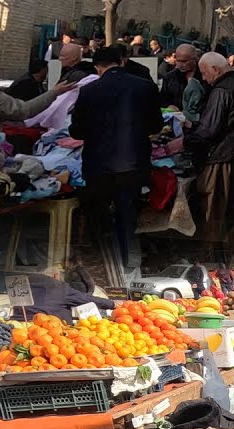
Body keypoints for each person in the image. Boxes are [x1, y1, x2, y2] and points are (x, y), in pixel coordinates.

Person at [70, 47, 161, 269]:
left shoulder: (89, 90)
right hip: (132, 164)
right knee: (127, 212)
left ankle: (102, 263)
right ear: (121, 62)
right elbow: (156, 125)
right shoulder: (145, 86)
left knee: (98, 213)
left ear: (97, 67)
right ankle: (127, 262)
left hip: (97, 164)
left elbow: (76, 131)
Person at [179, 53, 234, 247]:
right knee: (233, 208)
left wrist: (184, 142)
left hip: (223, 156)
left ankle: (212, 252)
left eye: (204, 73)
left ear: (216, 70)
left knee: (215, 208)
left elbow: (210, 129)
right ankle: (229, 250)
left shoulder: (222, 90)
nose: (203, 78)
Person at [160, 43, 198, 110]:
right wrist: (169, 105)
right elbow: (162, 99)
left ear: (194, 59)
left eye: (184, 61)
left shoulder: (205, 77)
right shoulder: (169, 77)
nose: (180, 65)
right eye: (178, 61)